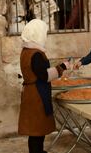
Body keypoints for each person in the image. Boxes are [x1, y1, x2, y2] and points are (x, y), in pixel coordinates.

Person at [18, 19, 69, 153]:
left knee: (35, 127)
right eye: (43, 32)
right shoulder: (35, 53)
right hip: (36, 94)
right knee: (36, 128)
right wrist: (62, 67)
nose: (45, 35)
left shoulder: (26, 50)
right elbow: (44, 75)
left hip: (31, 92)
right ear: (37, 34)